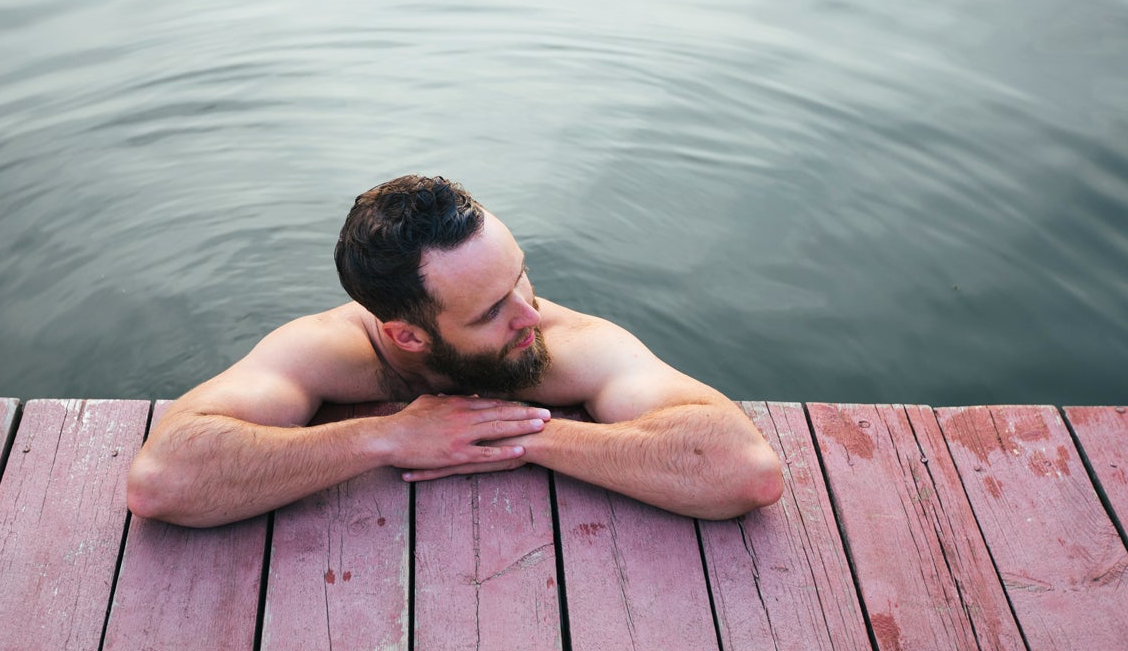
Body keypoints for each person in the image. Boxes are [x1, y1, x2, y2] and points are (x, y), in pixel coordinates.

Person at [127, 175, 783, 528]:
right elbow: (163, 482)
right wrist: (384, 441)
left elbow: (746, 470)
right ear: (405, 336)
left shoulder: (566, 343)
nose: (530, 312)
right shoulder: (327, 348)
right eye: (492, 309)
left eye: (520, 274)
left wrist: (519, 437)